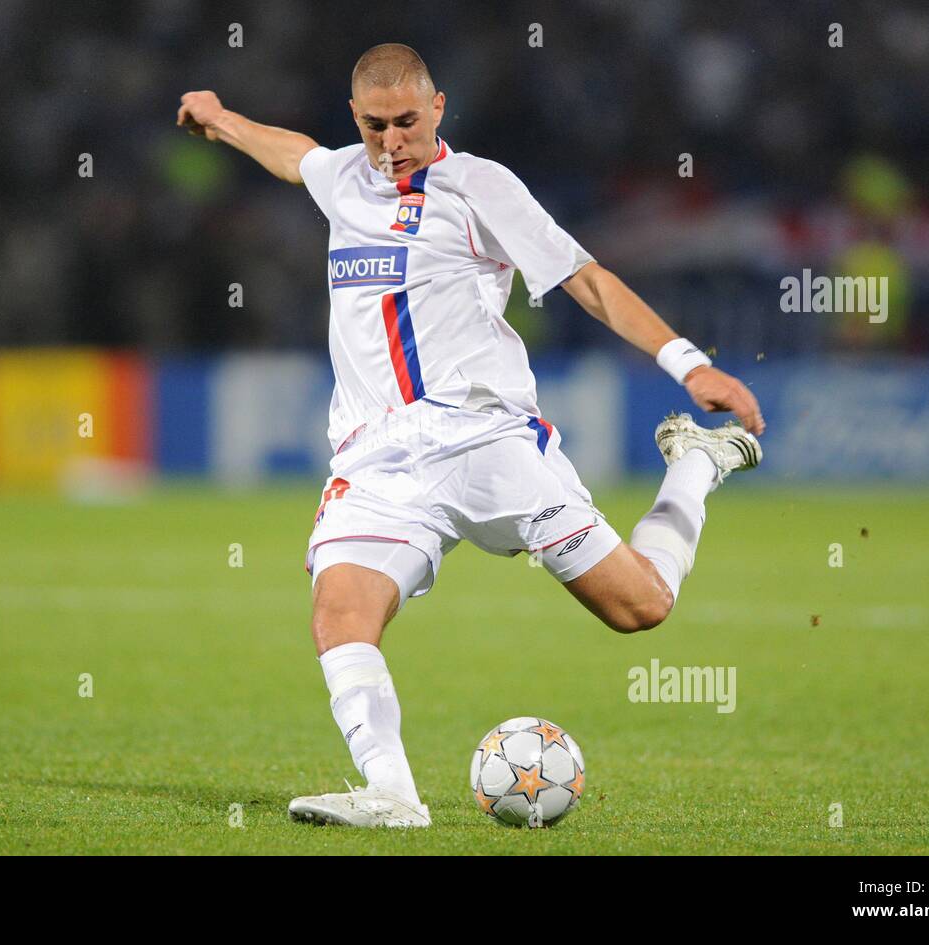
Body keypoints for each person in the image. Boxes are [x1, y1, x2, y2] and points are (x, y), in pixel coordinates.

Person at [178, 43, 765, 828]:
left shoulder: (478, 187)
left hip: (485, 442)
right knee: (340, 614)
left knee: (641, 608)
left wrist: (690, 364)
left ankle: (694, 463)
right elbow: (295, 157)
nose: (392, 143)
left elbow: (587, 280)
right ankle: (392, 793)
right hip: (378, 457)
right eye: (376, 126)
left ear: (440, 108)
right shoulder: (343, 176)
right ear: (356, 120)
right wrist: (221, 121)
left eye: (408, 123)